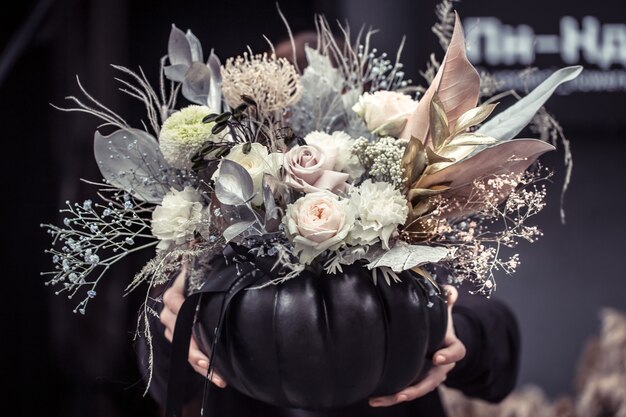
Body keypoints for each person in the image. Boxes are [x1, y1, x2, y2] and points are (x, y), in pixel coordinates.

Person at [135, 260, 520, 417]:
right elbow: (166, 384)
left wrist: (447, 333)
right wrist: (175, 326)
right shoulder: (208, 251)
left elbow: (499, 357)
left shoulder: (402, 231)